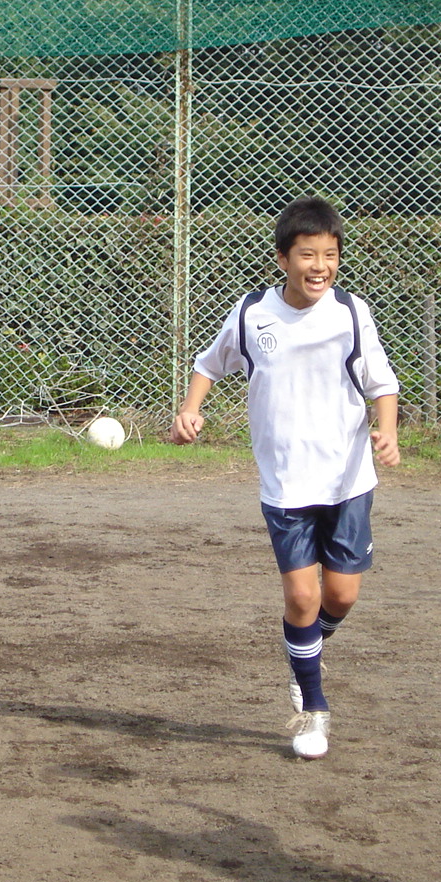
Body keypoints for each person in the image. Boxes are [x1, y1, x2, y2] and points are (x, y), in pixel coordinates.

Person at [169, 196, 400, 759]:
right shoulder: (253, 314)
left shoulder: (351, 313)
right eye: (307, 255)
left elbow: (381, 382)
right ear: (282, 259)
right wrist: (190, 408)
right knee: (301, 595)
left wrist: (387, 429)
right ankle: (312, 711)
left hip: (347, 481)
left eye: (329, 254)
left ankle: (306, 648)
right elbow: (208, 363)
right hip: (286, 485)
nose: (319, 265)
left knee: (339, 597)